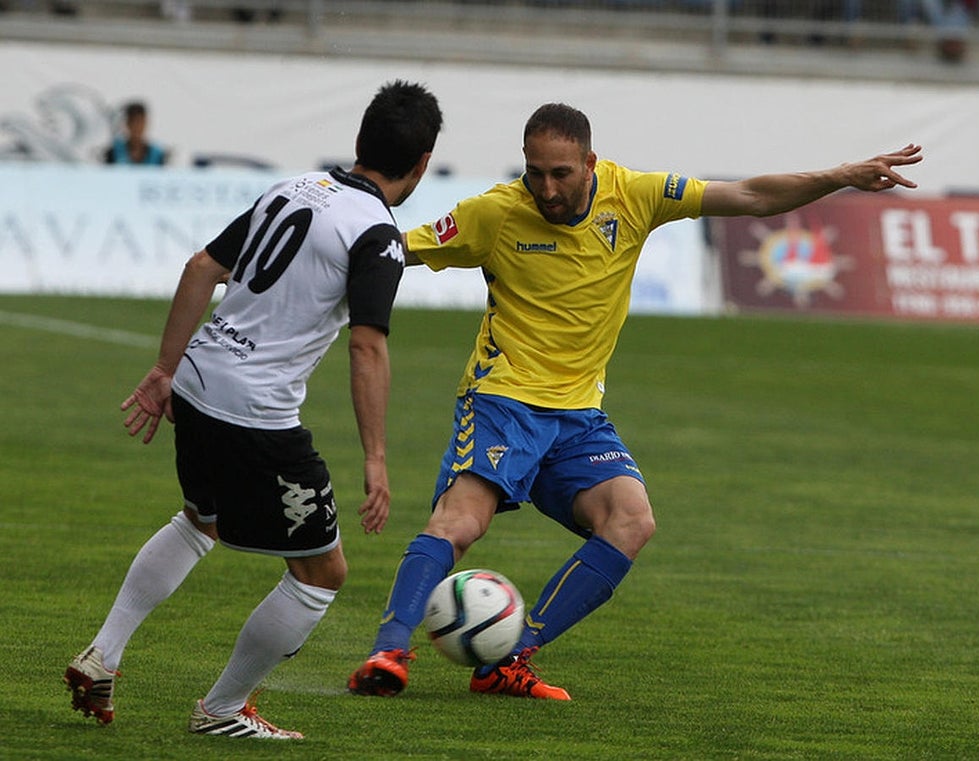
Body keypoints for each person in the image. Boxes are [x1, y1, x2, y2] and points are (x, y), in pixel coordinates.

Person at [347, 103, 923, 701]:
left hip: (578, 415)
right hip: (503, 399)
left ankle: (508, 661)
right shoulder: (493, 212)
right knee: (462, 522)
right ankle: (388, 650)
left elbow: (751, 195)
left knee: (632, 521)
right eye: (534, 172)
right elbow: (389, 252)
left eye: (561, 173)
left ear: (591, 163)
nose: (545, 188)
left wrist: (839, 176)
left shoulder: (638, 195)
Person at [65, 80, 443, 738]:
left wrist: (164, 369)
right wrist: (377, 458)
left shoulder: (292, 187)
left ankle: (105, 653)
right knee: (323, 570)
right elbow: (367, 346)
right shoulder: (378, 233)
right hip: (255, 412)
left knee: (199, 520)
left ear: (359, 141)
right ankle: (222, 709)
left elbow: (201, 266)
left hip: (199, 379)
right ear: (422, 163)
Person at [104, 101, 167, 166]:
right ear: (127, 124)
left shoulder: (157, 154)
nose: (137, 127)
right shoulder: (114, 153)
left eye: (141, 122)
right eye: (134, 122)